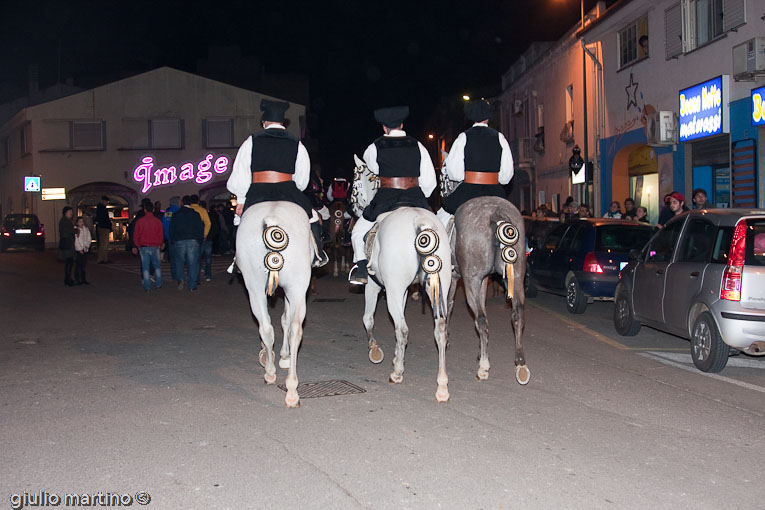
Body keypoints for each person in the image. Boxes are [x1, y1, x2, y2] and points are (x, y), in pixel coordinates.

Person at [227, 98, 328, 267]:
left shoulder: (251, 141)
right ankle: (318, 253)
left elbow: (241, 171)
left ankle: (239, 258)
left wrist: (242, 199)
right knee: (312, 217)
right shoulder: (297, 143)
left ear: (263, 122)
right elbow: (302, 181)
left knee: (240, 220)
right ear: (283, 122)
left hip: (257, 190)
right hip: (287, 189)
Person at [349, 105, 437, 285]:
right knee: (437, 227)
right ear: (402, 125)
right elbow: (430, 182)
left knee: (358, 232)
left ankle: (362, 269)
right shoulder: (418, 145)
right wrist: (420, 194)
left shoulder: (375, 147)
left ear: (384, 128)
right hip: (415, 197)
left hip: (385, 198)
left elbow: (372, 169)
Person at [436, 99, 514, 229]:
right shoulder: (499, 137)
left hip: (468, 192)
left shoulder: (463, 137)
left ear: (471, 117)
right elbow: (506, 176)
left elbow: (455, 174)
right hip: (495, 192)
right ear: (488, 117)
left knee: (442, 220)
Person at [170, 195, 204, 291]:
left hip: (179, 240)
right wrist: (199, 240)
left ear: (182, 203)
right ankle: (192, 285)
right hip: (193, 240)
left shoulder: (176, 215)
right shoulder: (195, 214)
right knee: (192, 263)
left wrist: (173, 240)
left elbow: (172, 228)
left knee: (179, 262)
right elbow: (200, 228)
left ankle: (180, 279)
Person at [132, 201, 165, 292]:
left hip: (144, 246)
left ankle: (147, 286)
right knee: (157, 266)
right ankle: (158, 283)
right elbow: (161, 234)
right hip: (155, 246)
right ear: (153, 209)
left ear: (145, 210)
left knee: (145, 267)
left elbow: (136, 235)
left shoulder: (140, 221)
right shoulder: (157, 221)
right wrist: (160, 243)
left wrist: (137, 245)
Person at [58, 206, 76, 286]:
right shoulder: (64, 221)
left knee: (70, 261)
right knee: (69, 261)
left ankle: (68, 278)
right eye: (70, 212)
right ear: (65, 213)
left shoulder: (66, 220)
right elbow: (67, 230)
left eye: (71, 212)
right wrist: (75, 230)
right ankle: (68, 279)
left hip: (68, 242)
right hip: (67, 243)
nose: (71, 214)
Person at [198, 199, 214, 281]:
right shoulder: (210, 214)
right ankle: (208, 275)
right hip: (209, 238)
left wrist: (204, 235)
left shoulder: (199, 213)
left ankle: (200, 271)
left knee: (199, 256)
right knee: (208, 257)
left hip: (203, 237)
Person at [73, 216, 92, 285]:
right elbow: (76, 240)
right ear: (77, 223)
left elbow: (89, 238)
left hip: (85, 249)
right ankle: (77, 279)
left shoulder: (86, 229)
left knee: (83, 265)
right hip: (78, 250)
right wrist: (79, 248)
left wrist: (87, 245)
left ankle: (83, 279)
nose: (81, 223)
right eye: (80, 221)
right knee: (78, 264)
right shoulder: (76, 230)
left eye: (82, 221)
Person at [162, 196, 180, 263]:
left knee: (172, 260)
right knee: (179, 260)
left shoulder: (166, 214)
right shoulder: (180, 212)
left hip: (169, 239)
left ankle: (174, 272)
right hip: (179, 239)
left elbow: (163, 226)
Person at [95, 196, 111, 264]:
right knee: (104, 244)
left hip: (102, 227)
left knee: (103, 244)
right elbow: (104, 219)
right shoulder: (102, 209)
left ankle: (103, 258)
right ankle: (102, 258)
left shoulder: (100, 208)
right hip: (104, 227)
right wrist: (109, 225)